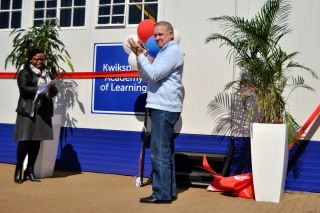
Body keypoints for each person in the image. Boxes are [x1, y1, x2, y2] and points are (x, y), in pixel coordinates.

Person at [128, 21, 184, 204]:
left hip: (164, 107)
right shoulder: (163, 52)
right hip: (162, 106)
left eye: (161, 34)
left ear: (171, 35)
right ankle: (168, 192)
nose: (157, 38)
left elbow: (154, 74)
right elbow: (147, 76)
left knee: (159, 153)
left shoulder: (172, 52)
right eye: (155, 35)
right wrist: (140, 57)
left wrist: (141, 56)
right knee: (165, 153)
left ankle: (161, 194)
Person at [13, 49, 58, 184]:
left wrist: (51, 86)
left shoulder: (47, 73)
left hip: (42, 112)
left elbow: (54, 92)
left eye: (42, 59)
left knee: (36, 141)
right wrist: (40, 88)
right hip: (28, 111)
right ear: (30, 59)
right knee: (25, 141)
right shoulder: (24, 72)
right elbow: (23, 89)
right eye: (36, 59)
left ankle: (30, 170)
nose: (40, 61)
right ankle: (19, 169)